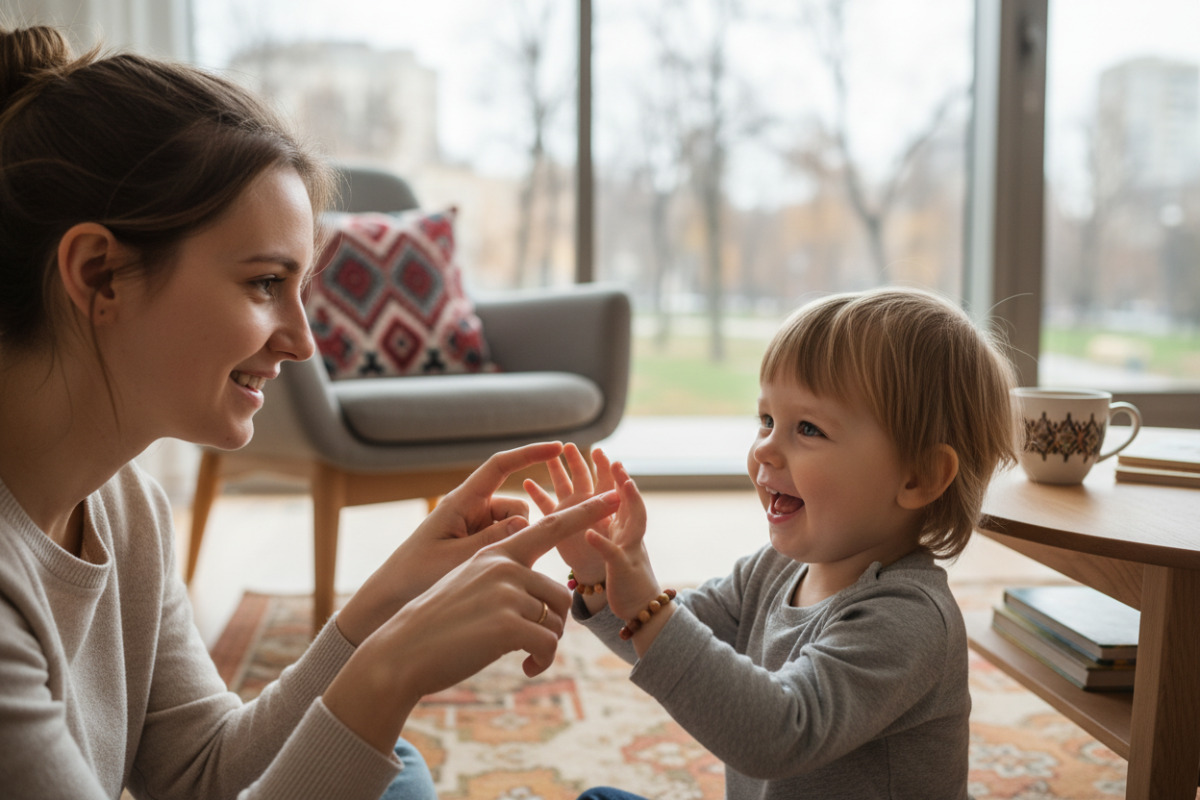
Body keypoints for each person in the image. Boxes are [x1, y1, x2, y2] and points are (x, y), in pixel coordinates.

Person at [0, 25, 621, 800]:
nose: (301, 342)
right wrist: (390, 670)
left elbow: (203, 773)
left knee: (391, 767)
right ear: (100, 275)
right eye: (266, 283)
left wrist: (388, 603)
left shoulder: (127, 511)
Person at [528, 288, 1018, 800]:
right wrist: (600, 575)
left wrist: (648, 609)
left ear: (919, 476)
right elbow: (663, 633)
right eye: (766, 420)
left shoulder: (909, 620)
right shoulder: (771, 570)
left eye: (808, 428)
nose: (764, 448)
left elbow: (781, 732)